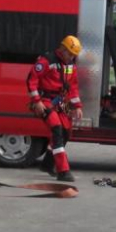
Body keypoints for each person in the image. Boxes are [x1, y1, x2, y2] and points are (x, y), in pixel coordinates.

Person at [27, 35, 84, 183]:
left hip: (60, 102)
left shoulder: (70, 65)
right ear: (62, 49)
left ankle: (47, 164)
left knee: (65, 132)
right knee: (57, 130)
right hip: (45, 101)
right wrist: (37, 101)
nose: (71, 57)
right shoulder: (47, 60)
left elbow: (73, 87)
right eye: (70, 53)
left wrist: (77, 106)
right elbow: (31, 81)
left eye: (74, 55)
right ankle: (63, 171)